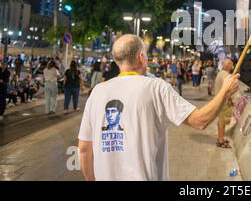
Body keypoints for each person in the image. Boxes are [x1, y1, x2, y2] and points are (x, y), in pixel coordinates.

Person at [78, 34, 240, 181]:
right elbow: (200, 121)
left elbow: (84, 149)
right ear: (142, 57)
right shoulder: (157, 88)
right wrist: (225, 91)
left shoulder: (98, 92)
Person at [215, 58, 236, 149]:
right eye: (231, 64)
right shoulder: (226, 75)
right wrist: (231, 100)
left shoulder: (221, 73)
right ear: (227, 65)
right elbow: (227, 89)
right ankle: (220, 140)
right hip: (224, 102)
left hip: (220, 101)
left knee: (221, 121)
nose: (232, 66)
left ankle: (221, 137)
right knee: (222, 121)